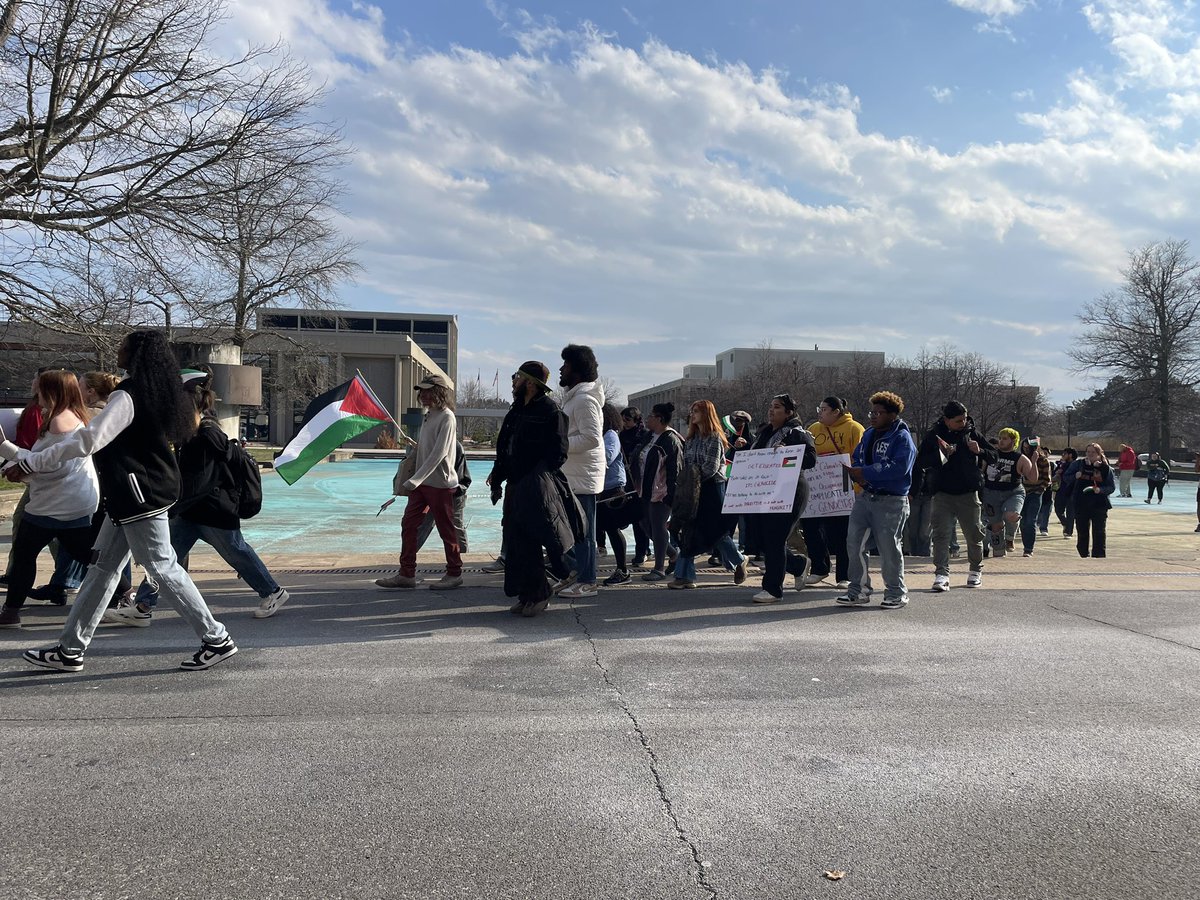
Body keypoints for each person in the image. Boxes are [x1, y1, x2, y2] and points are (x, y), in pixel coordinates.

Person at [2, 330, 237, 672]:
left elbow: (89, 440)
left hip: (139, 497)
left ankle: (216, 638)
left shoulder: (129, 394)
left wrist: (32, 461)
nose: (118, 350)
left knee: (162, 567)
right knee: (102, 571)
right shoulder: (152, 390)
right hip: (135, 495)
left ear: (136, 353)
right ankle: (70, 649)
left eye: (123, 346)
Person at [104, 371, 290, 626]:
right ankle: (144, 606)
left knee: (237, 553)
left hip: (213, 511)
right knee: (164, 559)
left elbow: (201, 481)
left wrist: (171, 504)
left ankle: (272, 591)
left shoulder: (206, 434)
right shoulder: (193, 431)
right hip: (193, 511)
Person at [0, 371, 98, 628]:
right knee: (85, 553)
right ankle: (125, 593)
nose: (36, 391)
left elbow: (48, 465)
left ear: (51, 392)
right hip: (74, 501)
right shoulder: (74, 416)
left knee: (24, 555)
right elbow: (45, 461)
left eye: (40, 388)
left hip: (52, 504)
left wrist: (8, 455)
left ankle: (11, 612)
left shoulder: (58, 422)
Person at [487, 362, 576, 617]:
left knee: (531, 540)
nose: (513, 381)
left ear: (529, 383)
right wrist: (497, 476)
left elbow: (559, 452)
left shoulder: (550, 410)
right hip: (515, 484)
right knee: (515, 541)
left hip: (534, 486)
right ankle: (526, 594)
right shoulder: (516, 410)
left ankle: (539, 594)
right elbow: (505, 447)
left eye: (517, 377)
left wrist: (537, 474)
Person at [375, 373, 463, 591]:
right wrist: (416, 447)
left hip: (440, 485)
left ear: (439, 392)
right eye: (421, 391)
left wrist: (415, 479)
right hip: (422, 484)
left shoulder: (447, 417)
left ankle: (454, 573)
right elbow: (430, 448)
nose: (422, 395)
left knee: (446, 529)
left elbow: (440, 453)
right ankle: (406, 574)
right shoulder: (429, 415)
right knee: (408, 525)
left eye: (427, 391)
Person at [836, 391, 916, 609]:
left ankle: (896, 592)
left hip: (892, 501)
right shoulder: (869, 433)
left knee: (889, 548)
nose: (873, 416)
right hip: (865, 497)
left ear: (892, 415)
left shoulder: (902, 437)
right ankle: (858, 590)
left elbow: (900, 467)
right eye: (872, 412)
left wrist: (866, 472)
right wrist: (857, 472)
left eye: (878, 413)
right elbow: (857, 456)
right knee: (854, 543)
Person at [746, 394, 817, 603]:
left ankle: (772, 589)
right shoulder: (764, 433)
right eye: (771, 406)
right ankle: (797, 565)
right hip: (765, 491)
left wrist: (789, 453)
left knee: (775, 538)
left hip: (790, 490)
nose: (771, 410)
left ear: (789, 413)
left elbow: (811, 459)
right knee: (760, 537)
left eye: (777, 407)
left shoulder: (797, 433)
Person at [670, 400, 748, 589]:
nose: (692, 414)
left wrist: (693, 479)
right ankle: (684, 576)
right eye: (692, 411)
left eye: (696, 411)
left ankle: (738, 560)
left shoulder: (715, 437)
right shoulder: (690, 439)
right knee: (689, 530)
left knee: (715, 531)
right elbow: (687, 464)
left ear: (706, 414)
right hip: (693, 490)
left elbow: (711, 467)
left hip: (712, 488)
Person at [917, 401, 994, 592]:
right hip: (942, 493)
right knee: (940, 535)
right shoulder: (933, 435)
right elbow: (920, 461)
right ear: (946, 420)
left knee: (974, 534)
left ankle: (975, 570)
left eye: (965, 419)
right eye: (959, 420)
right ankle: (941, 574)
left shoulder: (972, 433)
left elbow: (994, 455)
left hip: (968, 493)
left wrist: (980, 451)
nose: (963, 423)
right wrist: (941, 454)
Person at [556, 344, 605, 599]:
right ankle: (576, 574)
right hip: (572, 476)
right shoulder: (575, 399)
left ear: (576, 369)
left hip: (582, 479)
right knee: (571, 532)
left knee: (584, 533)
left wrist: (558, 444)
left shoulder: (585, 401)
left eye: (565, 365)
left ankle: (588, 581)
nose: (561, 369)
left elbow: (592, 438)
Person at [802, 396, 864, 589]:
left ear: (836, 411)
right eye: (819, 408)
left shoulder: (854, 428)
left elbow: (859, 458)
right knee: (812, 529)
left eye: (824, 409)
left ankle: (844, 575)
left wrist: (856, 487)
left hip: (844, 490)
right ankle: (819, 568)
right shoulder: (814, 429)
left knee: (842, 533)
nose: (820, 413)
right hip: (817, 489)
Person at [637, 403, 683, 582]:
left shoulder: (670, 440)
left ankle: (659, 568)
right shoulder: (649, 436)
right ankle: (674, 554)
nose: (647, 419)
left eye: (651, 416)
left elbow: (675, 469)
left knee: (658, 527)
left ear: (659, 419)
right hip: (645, 489)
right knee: (644, 523)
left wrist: (671, 494)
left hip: (661, 491)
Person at [596, 403, 632, 586]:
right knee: (606, 527)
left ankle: (622, 569)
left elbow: (607, 457)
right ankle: (621, 568)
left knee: (612, 528)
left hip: (613, 488)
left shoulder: (610, 435)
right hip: (603, 487)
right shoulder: (603, 435)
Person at [415, 440, 470, 552]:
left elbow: (461, 476)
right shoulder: (429, 443)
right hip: (433, 491)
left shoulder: (455, 446)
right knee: (422, 525)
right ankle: (409, 554)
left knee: (455, 528)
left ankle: (463, 556)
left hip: (453, 493)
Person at [1066, 442, 1115, 558]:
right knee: (1082, 531)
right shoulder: (1078, 465)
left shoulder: (1105, 468)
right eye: (1088, 452)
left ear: (1099, 453)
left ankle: (1099, 556)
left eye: (1093, 452)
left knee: (1099, 532)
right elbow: (1066, 477)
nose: (1090, 454)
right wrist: (1075, 476)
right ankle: (1083, 554)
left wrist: (1101, 490)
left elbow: (1111, 487)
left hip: (1099, 504)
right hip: (1081, 502)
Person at [619, 406, 653, 566]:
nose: (625, 423)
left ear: (636, 420)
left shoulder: (645, 435)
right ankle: (643, 549)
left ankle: (643, 550)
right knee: (635, 517)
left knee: (643, 518)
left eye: (628, 420)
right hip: (628, 480)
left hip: (642, 480)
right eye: (623, 420)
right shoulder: (621, 435)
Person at [1015, 435, 1050, 557]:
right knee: (1023, 521)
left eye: (1028, 448)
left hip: (1035, 493)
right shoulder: (1020, 459)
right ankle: (1026, 544)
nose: (1026, 450)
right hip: (1021, 493)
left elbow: (1046, 479)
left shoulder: (1043, 461)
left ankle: (1028, 549)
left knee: (1031, 521)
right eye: (1024, 448)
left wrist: (1040, 490)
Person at [1053, 447, 1078, 538]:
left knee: (1070, 512)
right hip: (1061, 490)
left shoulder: (1075, 465)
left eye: (1064, 454)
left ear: (1070, 455)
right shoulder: (1062, 464)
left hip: (1072, 491)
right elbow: (1054, 474)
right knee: (1058, 509)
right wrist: (1057, 472)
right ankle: (1065, 523)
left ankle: (1068, 532)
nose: (1062, 455)